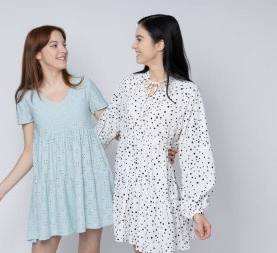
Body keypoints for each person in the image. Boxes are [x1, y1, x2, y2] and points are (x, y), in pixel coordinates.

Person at [0, 25, 178, 253]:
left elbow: (119, 130)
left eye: (64, 44)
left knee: (89, 245)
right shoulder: (26, 98)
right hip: (52, 184)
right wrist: (0, 191)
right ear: (37, 53)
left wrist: (158, 145)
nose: (63, 50)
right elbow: (29, 151)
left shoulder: (84, 87)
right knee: (44, 245)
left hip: (89, 178)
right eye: (54, 45)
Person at [96, 15, 216, 253]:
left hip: (159, 190)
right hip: (129, 188)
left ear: (160, 44)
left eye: (139, 39)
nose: (133, 45)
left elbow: (197, 152)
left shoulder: (186, 93)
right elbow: (104, 130)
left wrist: (196, 209)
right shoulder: (129, 85)